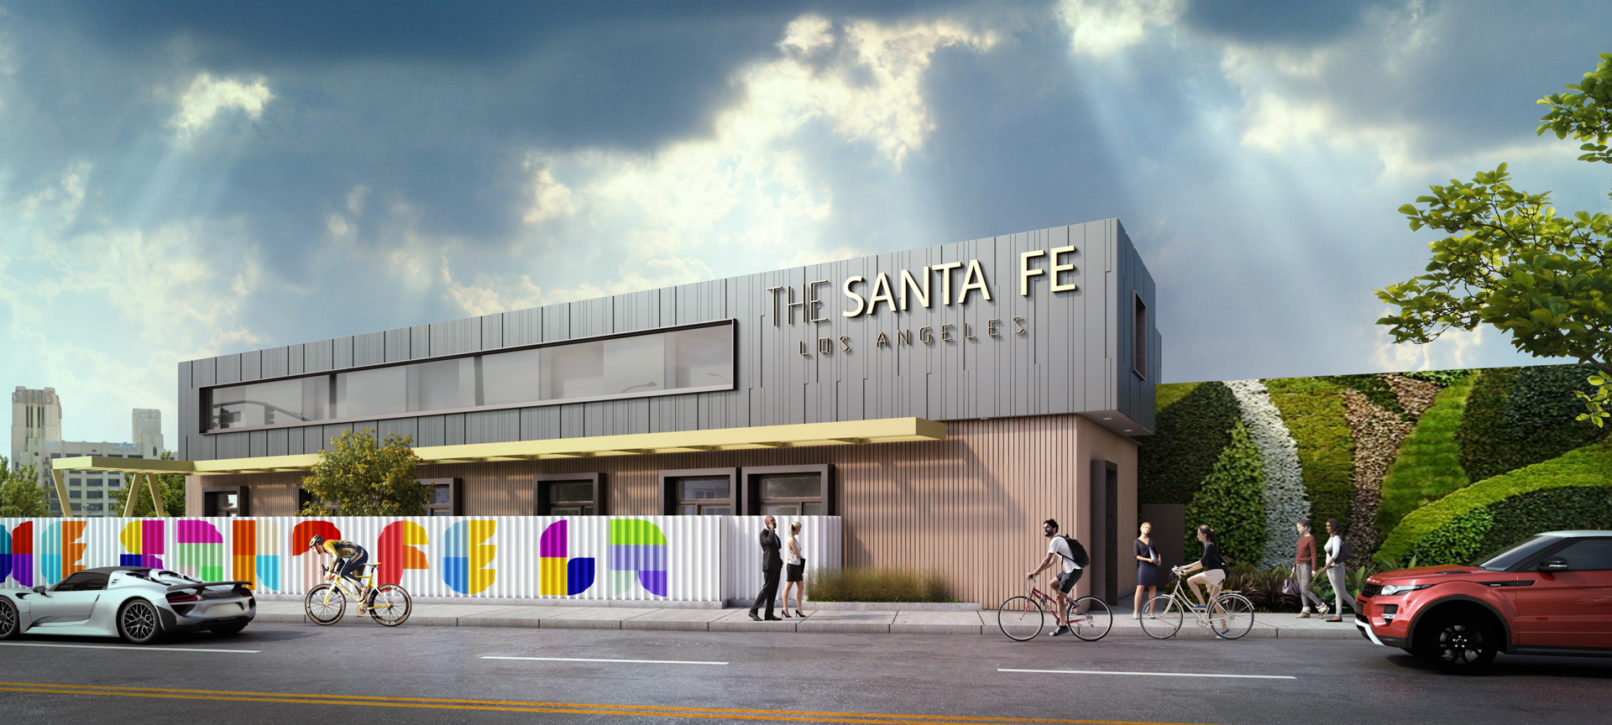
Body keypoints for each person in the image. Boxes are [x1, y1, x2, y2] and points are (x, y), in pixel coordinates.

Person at [1025, 518, 1083, 637]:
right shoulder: (1058, 540)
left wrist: (1034, 572)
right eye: (1044, 527)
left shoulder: (1056, 540)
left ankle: (1063, 626)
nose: (1045, 529)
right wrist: (1038, 572)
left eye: (1047, 527)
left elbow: (1046, 560)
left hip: (1073, 572)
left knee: (1059, 598)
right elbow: (1051, 562)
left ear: (1054, 529)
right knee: (1052, 583)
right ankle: (1068, 601)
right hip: (1069, 571)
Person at [309, 534, 370, 612]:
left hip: (358, 553)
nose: (313, 551)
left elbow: (336, 557)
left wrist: (330, 572)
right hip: (361, 553)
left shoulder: (326, 545)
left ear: (317, 544)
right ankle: (366, 604)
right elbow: (341, 562)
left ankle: (364, 588)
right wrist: (336, 573)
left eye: (313, 548)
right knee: (357, 582)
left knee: (344, 573)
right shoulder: (328, 550)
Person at [1173, 525, 1226, 609]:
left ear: (1204, 535)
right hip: (1218, 574)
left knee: (1190, 580)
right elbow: (1202, 563)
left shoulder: (1210, 545)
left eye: (1198, 534)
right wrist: (1186, 568)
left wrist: (1186, 569)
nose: (1197, 536)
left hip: (1214, 573)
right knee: (1215, 602)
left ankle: (1202, 604)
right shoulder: (1208, 545)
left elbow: (1201, 563)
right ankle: (1223, 618)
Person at [748, 515, 784, 621]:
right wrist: (772, 529)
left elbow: (777, 547)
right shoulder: (763, 534)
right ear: (767, 523)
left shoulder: (773, 534)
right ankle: (753, 610)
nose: (775, 522)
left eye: (774, 520)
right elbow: (769, 542)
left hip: (776, 565)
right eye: (772, 521)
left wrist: (780, 562)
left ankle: (769, 614)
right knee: (766, 589)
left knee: (773, 590)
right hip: (769, 565)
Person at [1293, 519, 1328, 618]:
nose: (1298, 529)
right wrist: (1294, 566)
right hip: (1298, 565)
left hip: (1306, 566)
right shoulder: (1301, 538)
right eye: (1297, 527)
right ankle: (1305, 610)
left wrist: (1314, 569)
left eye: (1299, 527)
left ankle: (1322, 606)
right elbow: (1298, 553)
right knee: (1302, 589)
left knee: (1305, 589)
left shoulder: (1311, 539)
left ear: (1306, 527)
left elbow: (1314, 555)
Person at [1322, 519, 1355, 622]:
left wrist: (1325, 567)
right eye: (1326, 525)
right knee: (1338, 593)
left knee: (1342, 593)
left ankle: (1360, 611)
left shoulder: (1336, 538)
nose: (1326, 527)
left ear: (1333, 526)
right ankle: (1338, 615)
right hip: (1332, 568)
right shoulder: (1331, 538)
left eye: (1328, 526)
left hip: (1335, 568)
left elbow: (1335, 555)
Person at [1132, 521, 1161, 619]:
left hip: (1152, 566)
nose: (1148, 529)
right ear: (1141, 528)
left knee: (1153, 588)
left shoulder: (1152, 540)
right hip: (1143, 566)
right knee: (1140, 587)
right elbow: (1136, 556)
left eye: (1149, 528)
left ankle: (1151, 612)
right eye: (1146, 527)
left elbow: (1157, 552)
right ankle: (1135, 611)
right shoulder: (1137, 541)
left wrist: (1159, 559)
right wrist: (1147, 559)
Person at [782, 521, 807, 618]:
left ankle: (799, 609)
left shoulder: (794, 539)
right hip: (792, 566)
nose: (800, 531)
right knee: (788, 587)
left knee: (800, 586)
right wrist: (802, 558)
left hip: (797, 565)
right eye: (799, 529)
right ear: (796, 529)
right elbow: (796, 552)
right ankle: (785, 609)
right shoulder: (790, 540)